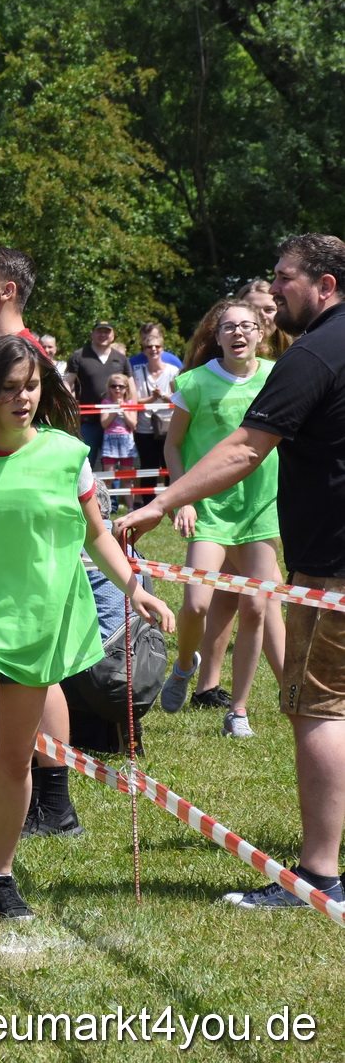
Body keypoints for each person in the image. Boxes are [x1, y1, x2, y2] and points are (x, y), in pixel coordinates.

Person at [0, 334, 172, 939]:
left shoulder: (67, 454)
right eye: (9, 387)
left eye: (31, 386)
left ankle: (2, 873)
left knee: (18, 758)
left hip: (39, 623)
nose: (22, 398)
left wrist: (137, 590)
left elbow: (97, 535)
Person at [121, 233, 345, 909]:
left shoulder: (311, 354)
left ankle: (318, 873)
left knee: (321, 709)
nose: (273, 292)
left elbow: (247, 448)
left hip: (331, 566)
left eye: (284, 279)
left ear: (325, 286)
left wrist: (162, 500)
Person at [153, 299, 284, 737]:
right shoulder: (193, 382)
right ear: (218, 336)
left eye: (247, 326)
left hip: (260, 509)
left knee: (257, 605)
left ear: (261, 332)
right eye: (229, 327)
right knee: (196, 603)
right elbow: (173, 445)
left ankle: (239, 711)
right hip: (209, 509)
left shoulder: (277, 377)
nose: (239, 334)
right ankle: (185, 665)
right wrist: (182, 497)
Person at [67, 322, 132, 468]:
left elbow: (131, 388)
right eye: (99, 331)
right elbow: (67, 384)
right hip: (89, 422)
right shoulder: (78, 356)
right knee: (85, 465)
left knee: (114, 469)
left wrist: (132, 414)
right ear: (92, 334)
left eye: (107, 332)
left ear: (113, 335)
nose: (103, 335)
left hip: (117, 423)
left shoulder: (122, 359)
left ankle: (112, 492)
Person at [129, 328, 179, 495]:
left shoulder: (173, 371)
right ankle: (147, 505)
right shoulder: (136, 372)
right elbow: (133, 400)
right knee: (147, 467)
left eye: (157, 346)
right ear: (144, 350)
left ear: (162, 348)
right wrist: (152, 399)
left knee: (169, 466)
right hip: (144, 427)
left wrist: (163, 396)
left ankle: (172, 503)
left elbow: (180, 398)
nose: (153, 350)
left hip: (168, 426)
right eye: (149, 347)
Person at [97, 375, 139, 507]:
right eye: (113, 386)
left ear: (126, 388)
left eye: (121, 386)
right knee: (108, 478)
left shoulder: (131, 403)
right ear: (109, 388)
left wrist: (124, 410)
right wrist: (115, 410)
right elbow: (104, 423)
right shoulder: (105, 402)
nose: (117, 389)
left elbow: (133, 424)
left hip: (126, 441)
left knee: (127, 478)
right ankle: (106, 509)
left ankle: (131, 508)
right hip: (110, 440)